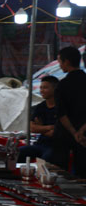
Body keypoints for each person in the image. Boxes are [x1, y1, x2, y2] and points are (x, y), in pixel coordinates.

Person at [54, 47, 86, 175]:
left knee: (60, 170)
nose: (60, 65)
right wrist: (82, 131)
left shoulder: (62, 85)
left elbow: (61, 113)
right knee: (83, 170)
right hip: (84, 134)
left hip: (64, 134)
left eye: (60, 62)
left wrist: (74, 133)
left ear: (66, 62)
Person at [18, 75, 58, 163]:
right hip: (40, 144)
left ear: (55, 89)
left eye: (45, 88)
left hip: (55, 146)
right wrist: (49, 127)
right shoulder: (41, 106)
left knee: (45, 159)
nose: (41, 91)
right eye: (41, 88)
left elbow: (54, 133)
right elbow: (32, 128)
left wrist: (40, 128)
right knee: (18, 152)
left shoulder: (61, 107)